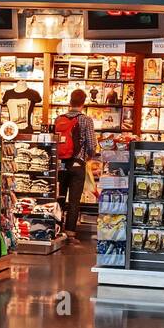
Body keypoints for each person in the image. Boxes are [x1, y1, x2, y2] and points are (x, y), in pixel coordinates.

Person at [55, 89, 97, 236]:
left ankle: (56, 229)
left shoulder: (59, 118)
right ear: (83, 103)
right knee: (74, 200)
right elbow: (92, 144)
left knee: (59, 197)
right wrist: (88, 157)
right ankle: (71, 232)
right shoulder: (86, 120)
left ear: (70, 101)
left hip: (60, 163)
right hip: (77, 163)